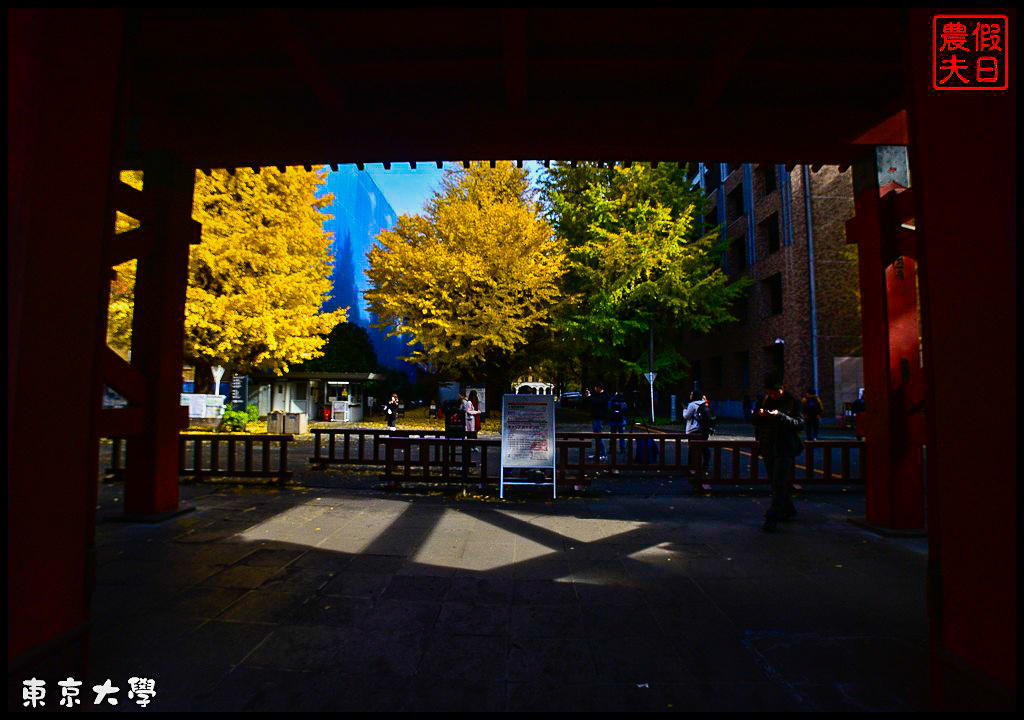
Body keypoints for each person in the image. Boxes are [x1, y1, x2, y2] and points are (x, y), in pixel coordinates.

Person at [752, 374, 804, 532]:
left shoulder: (793, 401)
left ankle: (772, 516)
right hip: (768, 445)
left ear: (783, 388)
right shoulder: (764, 400)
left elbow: (799, 424)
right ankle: (788, 509)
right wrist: (760, 415)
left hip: (785, 447)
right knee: (775, 481)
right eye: (771, 392)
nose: (774, 395)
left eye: (777, 392)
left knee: (779, 482)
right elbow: (753, 420)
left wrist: (781, 416)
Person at [683, 390, 712, 474]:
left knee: (692, 448)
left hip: (694, 429)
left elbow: (686, 416)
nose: (690, 395)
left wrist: (684, 409)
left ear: (694, 396)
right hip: (704, 429)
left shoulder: (692, 405)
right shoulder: (704, 403)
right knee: (704, 447)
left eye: (691, 394)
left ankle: (691, 466)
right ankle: (705, 465)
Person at [590, 382, 609, 461]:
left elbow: (595, 403)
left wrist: (590, 397)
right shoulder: (600, 395)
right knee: (597, 437)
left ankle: (603, 454)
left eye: (595, 387)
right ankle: (598, 454)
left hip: (599, 417)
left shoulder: (604, 396)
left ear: (599, 387)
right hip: (596, 417)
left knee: (599, 436)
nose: (595, 389)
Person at [608, 390, 628, 456]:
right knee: (621, 436)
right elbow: (625, 410)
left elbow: (608, 406)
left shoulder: (612, 402)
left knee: (612, 435)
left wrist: (613, 397)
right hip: (621, 421)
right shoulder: (623, 403)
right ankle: (622, 449)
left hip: (613, 420)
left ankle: (612, 449)